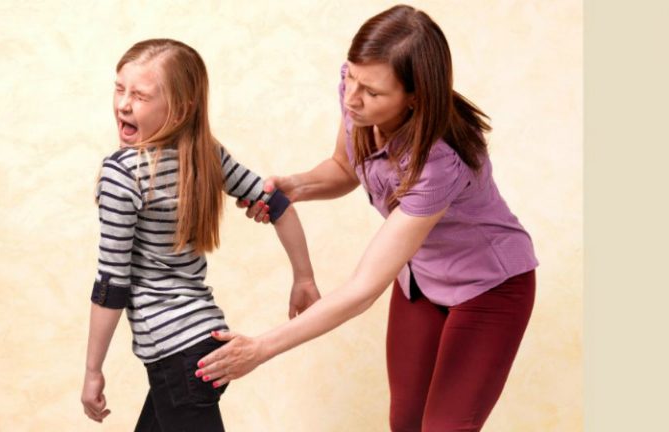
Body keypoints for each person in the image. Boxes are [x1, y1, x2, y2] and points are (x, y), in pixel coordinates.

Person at [194, 5, 539, 431]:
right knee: (405, 423)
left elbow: (362, 290)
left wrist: (260, 349)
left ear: (415, 98)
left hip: (488, 287)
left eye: (372, 92)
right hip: (421, 279)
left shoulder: (438, 164)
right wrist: (296, 186)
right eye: (352, 78)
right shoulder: (358, 92)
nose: (352, 98)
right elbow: (345, 167)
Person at [79, 38, 320, 432]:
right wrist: (304, 277)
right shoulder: (206, 154)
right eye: (119, 89)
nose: (123, 104)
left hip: (175, 354)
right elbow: (277, 204)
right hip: (202, 340)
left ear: (181, 108)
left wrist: (93, 370)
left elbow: (112, 283)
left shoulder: (123, 173)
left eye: (140, 95)